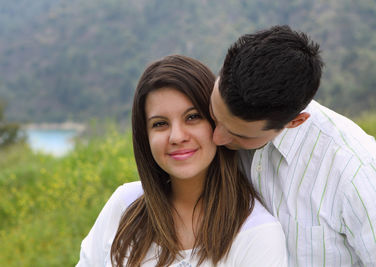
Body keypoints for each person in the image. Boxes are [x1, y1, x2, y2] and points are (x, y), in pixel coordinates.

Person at [76, 55, 287, 266]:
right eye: (160, 124)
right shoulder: (124, 206)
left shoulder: (258, 234)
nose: (177, 136)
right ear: (145, 136)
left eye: (192, 117)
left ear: (217, 122)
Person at [210, 25, 376, 266]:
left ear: (295, 121)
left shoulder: (356, 173)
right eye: (215, 116)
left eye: (238, 135)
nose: (216, 138)